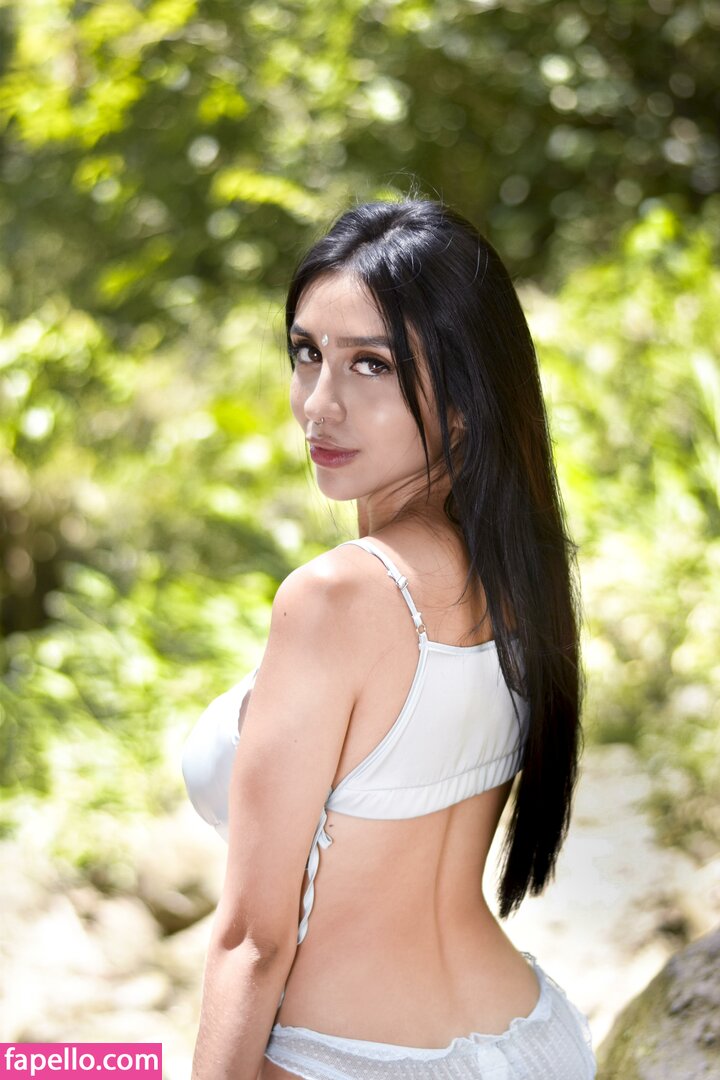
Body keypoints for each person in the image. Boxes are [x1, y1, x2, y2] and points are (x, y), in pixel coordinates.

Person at [182, 198, 597, 1079]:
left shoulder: (336, 599)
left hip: (352, 1058)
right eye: (308, 353)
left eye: (371, 365)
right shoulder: (518, 573)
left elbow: (254, 942)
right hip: (535, 1039)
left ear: (466, 393)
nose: (319, 405)